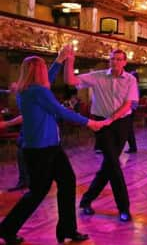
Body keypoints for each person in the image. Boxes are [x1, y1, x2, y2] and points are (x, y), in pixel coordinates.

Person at [0, 48, 106, 245]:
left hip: (50, 147)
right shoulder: (37, 91)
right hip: (41, 149)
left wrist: (59, 60)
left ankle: (67, 229)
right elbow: (60, 110)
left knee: (67, 181)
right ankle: (7, 229)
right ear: (38, 71)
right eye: (43, 68)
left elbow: (47, 82)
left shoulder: (28, 90)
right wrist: (89, 123)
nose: (45, 71)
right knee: (37, 192)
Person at [64, 48, 139, 223]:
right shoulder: (98, 76)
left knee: (107, 167)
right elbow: (70, 80)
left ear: (124, 62)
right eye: (113, 59)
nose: (116, 62)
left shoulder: (130, 79)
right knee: (114, 164)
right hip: (101, 124)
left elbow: (128, 104)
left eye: (119, 59)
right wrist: (70, 60)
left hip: (120, 123)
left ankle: (86, 200)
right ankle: (124, 208)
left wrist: (111, 119)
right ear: (109, 61)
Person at [124, 69, 139, 154]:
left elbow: (132, 100)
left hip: (131, 109)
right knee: (128, 129)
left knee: (128, 129)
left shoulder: (134, 86)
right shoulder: (134, 85)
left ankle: (133, 147)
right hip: (131, 109)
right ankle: (132, 147)